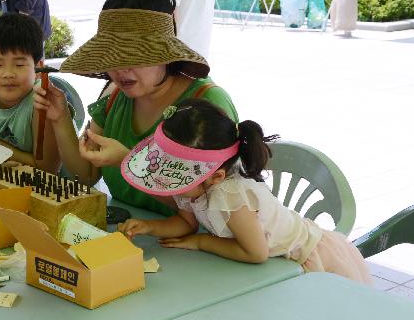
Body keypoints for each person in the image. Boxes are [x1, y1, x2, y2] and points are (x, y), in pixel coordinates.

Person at [118, 99, 372, 285]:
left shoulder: (230, 197)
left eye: (175, 178)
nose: (166, 182)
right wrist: (149, 227)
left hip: (309, 258)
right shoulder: (193, 183)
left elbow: (256, 253)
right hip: (277, 262)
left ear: (216, 176)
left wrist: (201, 241)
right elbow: (186, 222)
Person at [34, 0, 237, 216]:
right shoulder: (113, 97)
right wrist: (60, 118)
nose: (121, 70)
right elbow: (86, 175)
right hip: (127, 234)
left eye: (137, 56)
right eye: (113, 56)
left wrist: (128, 162)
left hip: (194, 244)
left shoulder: (208, 102)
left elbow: (215, 208)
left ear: (166, 55)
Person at [0, 13, 59, 172]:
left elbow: (48, 168)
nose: (8, 74)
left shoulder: (41, 102)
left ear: (38, 68)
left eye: (19, 65)